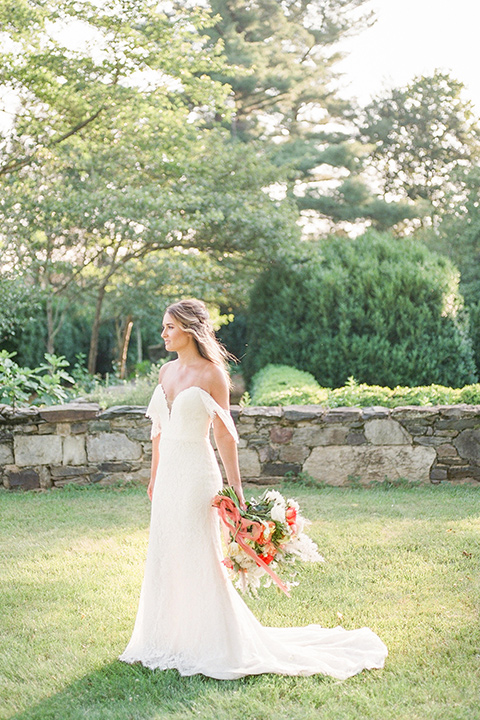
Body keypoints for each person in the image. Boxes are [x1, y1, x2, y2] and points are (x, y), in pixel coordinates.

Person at [119, 299, 388, 680]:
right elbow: (159, 432)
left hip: (197, 475)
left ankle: (214, 640)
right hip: (168, 479)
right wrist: (153, 475)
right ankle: (168, 637)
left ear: (191, 330)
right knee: (167, 551)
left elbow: (224, 435)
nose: (163, 333)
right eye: (163, 327)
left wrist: (236, 488)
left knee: (199, 553)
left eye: (169, 327)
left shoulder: (213, 375)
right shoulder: (165, 372)